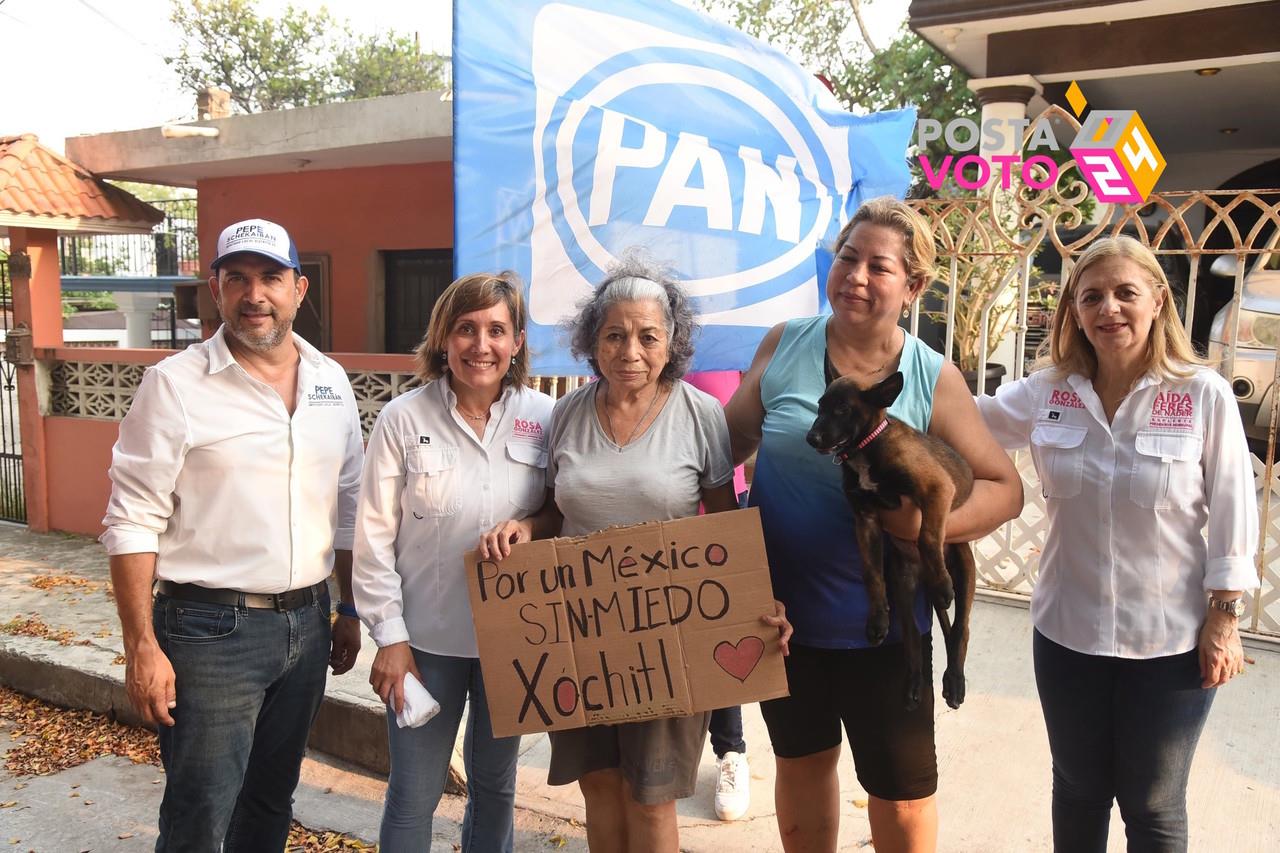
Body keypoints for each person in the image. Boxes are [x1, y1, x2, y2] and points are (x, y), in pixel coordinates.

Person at [725, 196, 1023, 853]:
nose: (856, 276)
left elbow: (1006, 489)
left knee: (904, 798)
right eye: (847, 258)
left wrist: (928, 530)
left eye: (879, 267)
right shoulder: (784, 343)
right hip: (781, 622)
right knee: (802, 771)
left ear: (914, 286)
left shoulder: (930, 375)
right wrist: (731, 567)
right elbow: (723, 450)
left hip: (888, 633)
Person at [479, 257, 792, 852]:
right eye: (614, 334)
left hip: (667, 639)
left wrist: (760, 601)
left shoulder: (700, 415)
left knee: (651, 799)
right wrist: (524, 527)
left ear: (671, 343)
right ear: (592, 341)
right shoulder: (568, 413)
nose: (630, 350)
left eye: (648, 336)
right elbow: (553, 510)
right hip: (578, 636)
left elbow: (724, 527)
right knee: (598, 788)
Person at [977, 235, 1257, 851]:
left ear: (1157, 299)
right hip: (1067, 631)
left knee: (1154, 805)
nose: (1110, 309)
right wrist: (888, 376)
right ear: (1073, 311)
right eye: (1092, 297)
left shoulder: (1200, 394)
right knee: (1076, 789)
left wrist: (1225, 617)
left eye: (1126, 293)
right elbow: (968, 420)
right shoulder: (1048, 391)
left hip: (1170, 641)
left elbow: (1236, 507)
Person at [102, 218, 364, 851]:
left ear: (299, 289)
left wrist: (349, 607)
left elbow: (349, 505)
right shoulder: (175, 386)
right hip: (208, 633)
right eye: (237, 278)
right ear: (214, 291)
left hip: (308, 626)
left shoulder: (331, 382)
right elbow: (131, 517)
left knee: (271, 802)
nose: (255, 295)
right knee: (200, 813)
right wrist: (141, 646)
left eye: (271, 277)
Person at [352, 272, 553, 852]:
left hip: (512, 644)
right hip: (424, 647)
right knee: (413, 795)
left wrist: (529, 527)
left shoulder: (544, 416)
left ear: (516, 343)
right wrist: (390, 639)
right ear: (443, 338)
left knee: (495, 789)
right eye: (465, 329)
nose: (480, 345)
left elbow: (563, 512)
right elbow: (372, 542)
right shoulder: (403, 419)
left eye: (496, 330)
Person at [684, 369, 751, 822]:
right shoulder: (636, 334)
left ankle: (731, 753)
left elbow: (759, 420)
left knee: (723, 637)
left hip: (723, 501)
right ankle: (669, 751)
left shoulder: (740, 336)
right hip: (654, 503)